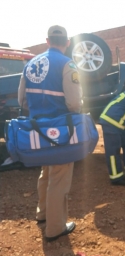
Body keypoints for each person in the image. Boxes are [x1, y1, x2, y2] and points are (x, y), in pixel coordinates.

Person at [18, 25, 82, 241]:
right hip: (60, 131)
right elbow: (73, 103)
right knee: (59, 178)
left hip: (38, 129)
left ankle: (43, 214)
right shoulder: (67, 64)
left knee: (46, 172)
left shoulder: (30, 64)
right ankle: (55, 228)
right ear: (67, 42)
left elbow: (22, 101)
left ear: (47, 41)